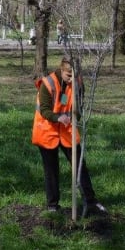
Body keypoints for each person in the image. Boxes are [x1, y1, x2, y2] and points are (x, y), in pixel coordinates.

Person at [32, 56, 107, 214]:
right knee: (51, 170)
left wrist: (76, 116)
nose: (71, 78)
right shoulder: (48, 83)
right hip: (47, 130)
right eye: (68, 75)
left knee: (80, 166)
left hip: (67, 131)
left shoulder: (78, 83)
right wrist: (58, 117)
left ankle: (91, 201)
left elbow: (79, 105)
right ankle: (52, 206)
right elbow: (45, 109)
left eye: (74, 75)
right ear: (61, 70)